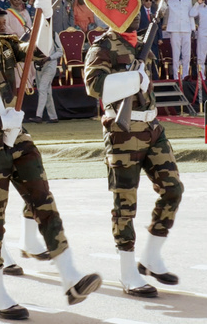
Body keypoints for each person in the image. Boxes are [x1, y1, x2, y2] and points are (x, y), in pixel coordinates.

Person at [0, 0, 101, 320]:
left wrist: (42, 17)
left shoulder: (3, 45)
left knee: (43, 199)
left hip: (18, 137)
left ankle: (70, 277)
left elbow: (38, 51)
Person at [84, 17, 184, 298]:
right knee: (124, 202)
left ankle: (151, 257)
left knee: (173, 189)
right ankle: (128, 272)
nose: (137, 12)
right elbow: (94, 85)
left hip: (152, 128)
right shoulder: (102, 46)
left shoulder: (140, 42)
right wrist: (132, 78)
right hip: (123, 131)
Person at [164, 0, 193, 79]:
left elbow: (191, 16)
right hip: (175, 29)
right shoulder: (170, 0)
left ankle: (185, 75)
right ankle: (176, 76)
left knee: (186, 54)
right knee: (175, 54)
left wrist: (192, 29)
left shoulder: (188, 1)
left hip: (186, 29)